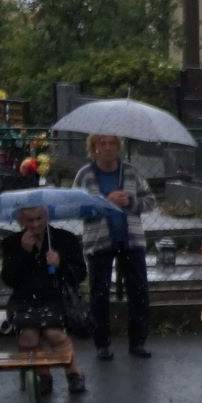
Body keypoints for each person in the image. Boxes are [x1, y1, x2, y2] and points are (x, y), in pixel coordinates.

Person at [72, 134, 151, 361]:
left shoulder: (131, 172)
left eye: (112, 143)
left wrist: (131, 202)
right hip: (99, 242)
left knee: (139, 291)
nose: (107, 148)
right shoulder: (85, 175)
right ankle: (102, 344)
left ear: (118, 147)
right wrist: (105, 202)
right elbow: (76, 207)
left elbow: (150, 200)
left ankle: (138, 342)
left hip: (131, 241)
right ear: (94, 148)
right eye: (102, 144)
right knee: (99, 293)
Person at [0, 204, 89, 396]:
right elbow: (9, 279)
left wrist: (60, 264)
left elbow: (80, 273)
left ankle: (74, 373)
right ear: (22, 221)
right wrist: (23, 252)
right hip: (24, 300)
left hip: (56, 297)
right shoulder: (12, 242)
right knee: (28, 336)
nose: (35, 224)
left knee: (53, 333)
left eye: (39, 219)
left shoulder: (65, 239)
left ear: (46, 217)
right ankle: (43, 375)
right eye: (29, 220)